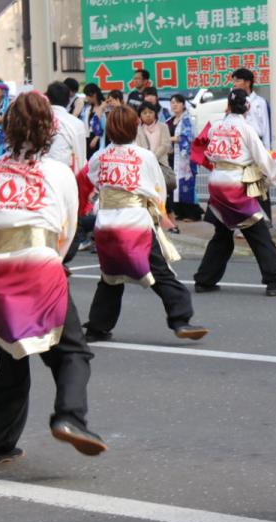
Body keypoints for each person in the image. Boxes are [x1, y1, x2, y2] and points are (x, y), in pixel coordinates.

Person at [0, 90, 106, 468]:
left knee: (11, 356)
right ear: (50, 130)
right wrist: (54, 258)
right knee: (72, 350)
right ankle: (69, 416)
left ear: (8, 127)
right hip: (39, 261)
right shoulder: (59, 173)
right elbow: (67, 229)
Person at [82, 106, 208, 344]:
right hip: (134, 223)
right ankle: (181, 319)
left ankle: (97, 327)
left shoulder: (100, 157)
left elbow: (92, 178)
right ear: (134, 128)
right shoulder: (144, 156)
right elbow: (158, 190)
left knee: (111, 277)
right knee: (160, 272)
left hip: (106, 225)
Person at [193, 89, 276, 297]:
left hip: (217, 181)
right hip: (235, 184)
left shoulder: (216, 127)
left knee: (223, 233)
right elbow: (264, 160)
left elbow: (208, 153)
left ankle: (205, 279)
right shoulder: (246, 129)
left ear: (227, 106)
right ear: (247, 107)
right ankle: (274, 281)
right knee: (258, 233)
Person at [135, 102, 176, 214]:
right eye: (144, 113)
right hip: (145, 166)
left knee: (163, 192)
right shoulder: (137, 130)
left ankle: (167, 216)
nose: (148, 115)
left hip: (161, 164)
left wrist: (153, 157)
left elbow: (166, 145)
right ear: (140, 116)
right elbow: (137, 147)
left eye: (150, 112)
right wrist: (148, 159)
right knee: (148, 192)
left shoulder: (163, 127)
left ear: (155, 113)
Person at [169, 94, 203, 221]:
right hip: (175, 157)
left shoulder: (187, 119)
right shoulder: (171, 120)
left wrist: (170, 139)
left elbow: (187, 137)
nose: (175, 105)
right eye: (172, 102)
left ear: (183, 104)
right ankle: (181, 211)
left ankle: (193, 214)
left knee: (187, 185)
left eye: (178, 102)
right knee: (177, 186)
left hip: (185, 158)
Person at [45, 81, 88, 177]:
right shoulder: (77, 124)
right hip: (71, 176)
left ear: (48, 99)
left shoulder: (39, 121)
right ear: (68, 100)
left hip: (45, 176)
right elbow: (81, 156)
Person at [231, 67, 271, 148]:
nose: (234, 84)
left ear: (247, 83)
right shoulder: (233, 101)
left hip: (257, 144)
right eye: (234, 81)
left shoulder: (260, 102)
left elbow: (266, 128)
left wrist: (267, 150)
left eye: (238, 81)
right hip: (239, 145)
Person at [83, 83, 105, 158]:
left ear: (94, 94)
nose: (86, 98)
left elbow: (106, 126)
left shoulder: (104, 107)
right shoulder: (88, 108)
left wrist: (96, 137)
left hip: (100, 137)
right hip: (89, 137)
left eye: (87, 95)